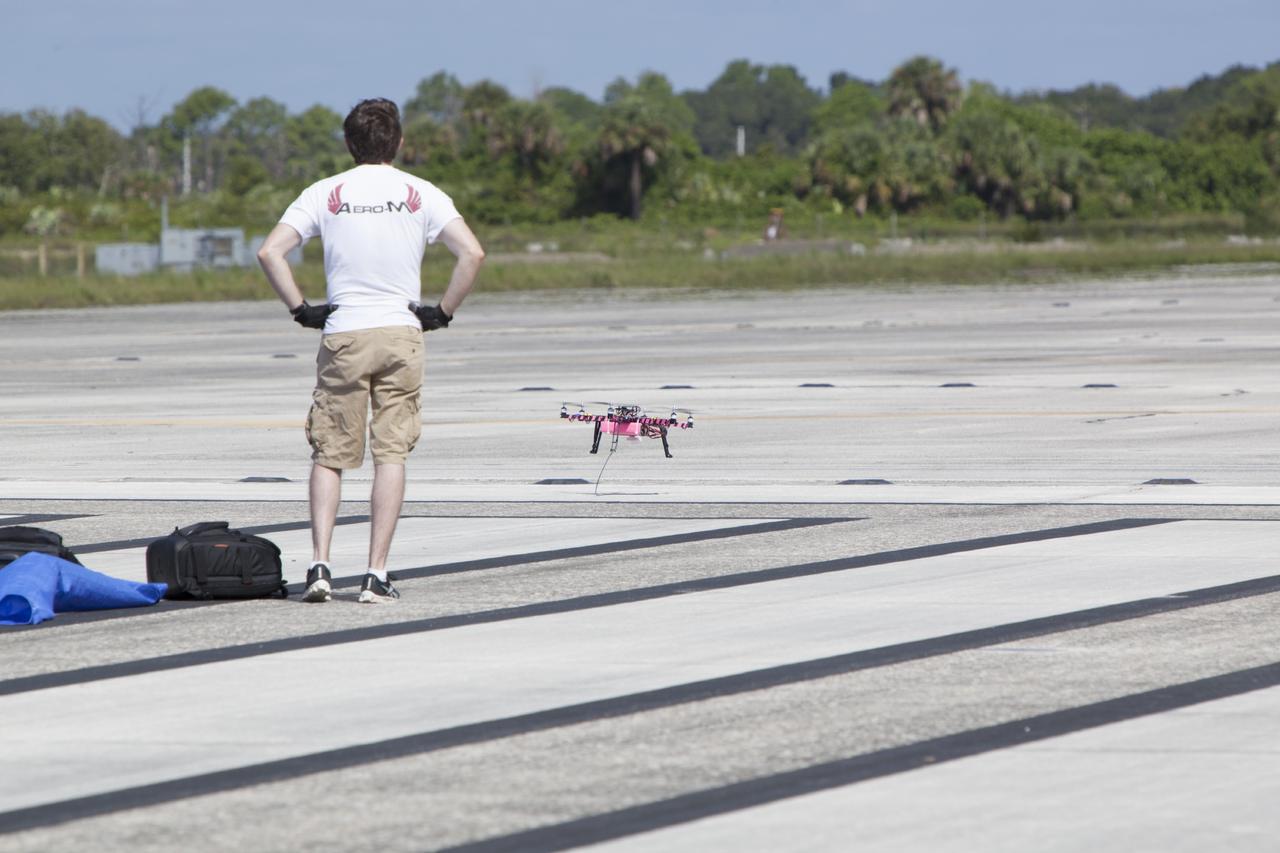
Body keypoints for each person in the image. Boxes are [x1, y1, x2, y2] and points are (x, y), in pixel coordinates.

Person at [257, 97, 484, 604]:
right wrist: (442, 311)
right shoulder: (421, 193)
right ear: (398, 143)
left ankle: (318, 566)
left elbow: (270, 251)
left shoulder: (324, 192)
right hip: (402, 331)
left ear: (349, 144)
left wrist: (301, 309)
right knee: (392, 453)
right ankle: (375, 573)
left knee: (330, 454)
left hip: (345, 333)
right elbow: (472, 252)